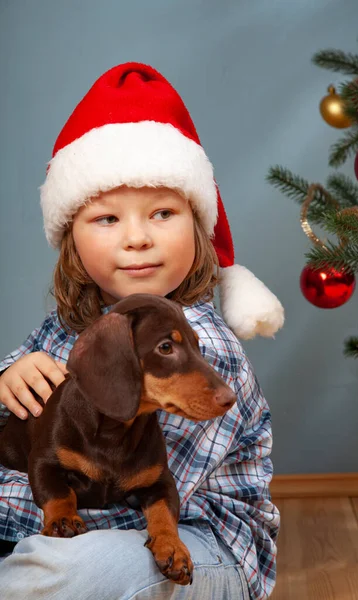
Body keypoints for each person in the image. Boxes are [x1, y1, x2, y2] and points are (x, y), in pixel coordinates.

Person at [0, 62, 284, 600]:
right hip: (80, 533)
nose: (136, 239)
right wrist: (7, 378)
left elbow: (119, 500)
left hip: (200, 549)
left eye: (161, 213)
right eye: (107, 219)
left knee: (63, 569)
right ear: (72, 242)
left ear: (200, 229)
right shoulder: (62, 327)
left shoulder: (204, 349)